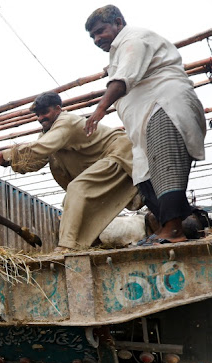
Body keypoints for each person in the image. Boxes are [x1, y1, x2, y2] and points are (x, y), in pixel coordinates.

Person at [84, 5, 206, 245]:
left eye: (100, 31)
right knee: (144, 176)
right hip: (144, 122)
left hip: (164, 106)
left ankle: (173, 231)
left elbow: (122, 80)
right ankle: (173, 226)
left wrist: (99, 110)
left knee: (165, 166)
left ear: (118, 23)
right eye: (93, 36)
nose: (97, 39)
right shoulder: (118, 53)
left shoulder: (134, 38)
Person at [0, 91, 140, 251]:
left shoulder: (65, 122)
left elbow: (41, 148)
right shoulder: (49, 133)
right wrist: (10, 162)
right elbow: (36, 161)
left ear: (58, 109)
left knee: (77, 189)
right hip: (105, 160)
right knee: (71, 200)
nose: (40, 118)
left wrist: (7, 154)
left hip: (119, 153)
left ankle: (68, 247)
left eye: (44, 113)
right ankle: (90, 243)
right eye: (38, 115)